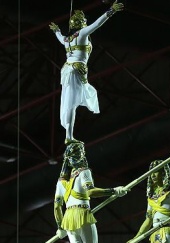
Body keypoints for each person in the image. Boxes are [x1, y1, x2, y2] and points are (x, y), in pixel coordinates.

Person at [54, 142, 129, 243]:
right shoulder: (84, 172)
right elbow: (91, 191)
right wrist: (113, 191)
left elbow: (56, 206)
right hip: (82, 213)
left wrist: (60, 227)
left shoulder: (61, 181)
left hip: (68, 218)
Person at [49, 1, 124, 144]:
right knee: (72, 103)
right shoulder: (81, 34)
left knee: (70, 102)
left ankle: (69, 135)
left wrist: (56, 31)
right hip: (76, 70)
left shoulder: (67, 39)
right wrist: (111, 11)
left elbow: (59, 38)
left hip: (67, 70)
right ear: (80, 23)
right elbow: (97, 24)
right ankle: (69, 136)